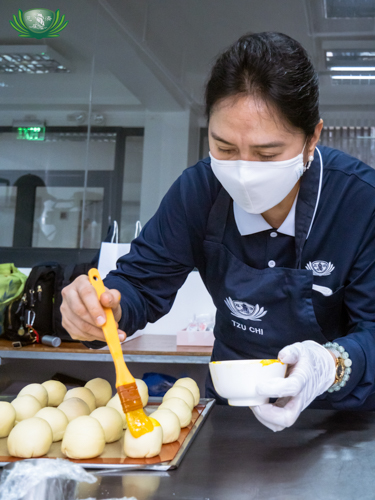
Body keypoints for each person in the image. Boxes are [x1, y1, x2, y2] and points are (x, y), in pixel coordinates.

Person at [61, 32, 375, 432]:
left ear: (312, 138)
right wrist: (101, 310)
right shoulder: (199, 191)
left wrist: (331, 364)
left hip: (341, 418)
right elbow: (140, 283)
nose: (243, 171)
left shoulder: (360, 202)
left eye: (266, 154)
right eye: (225, 148)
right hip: (232, 413)